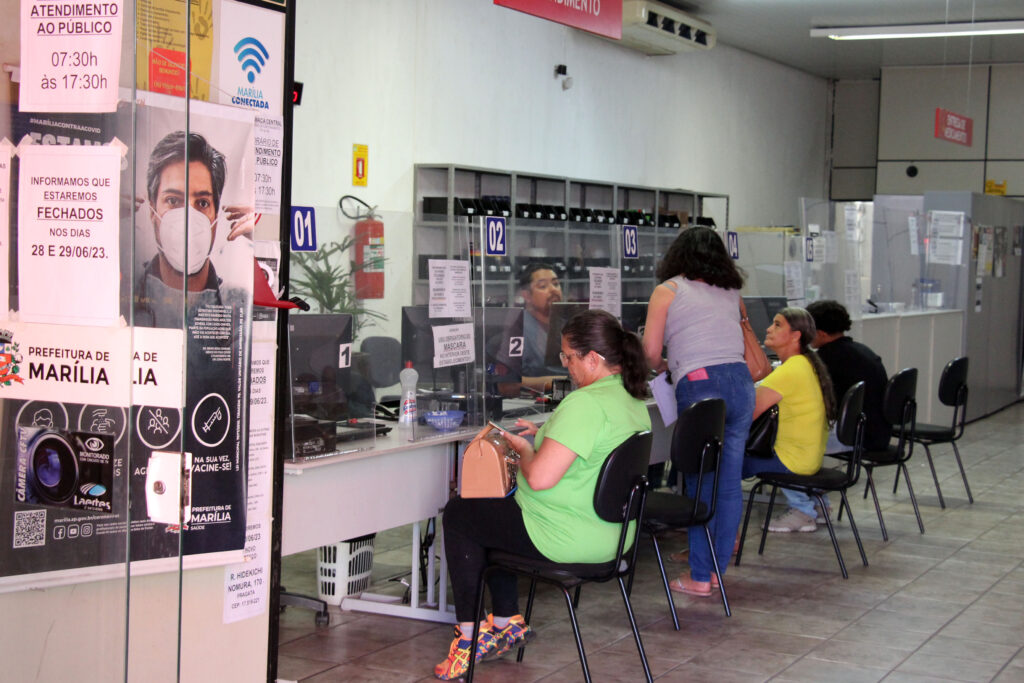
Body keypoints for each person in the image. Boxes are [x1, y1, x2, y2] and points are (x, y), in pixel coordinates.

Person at [435, 309, 651, 680]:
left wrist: (524, 448)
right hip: (613, 537)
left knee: (460, 514)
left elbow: (539, 478)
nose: (564, 364)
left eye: (568, 356)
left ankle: (468, 640)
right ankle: (507, 622)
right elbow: (587, 452)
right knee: (491, 508)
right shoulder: (631, 400)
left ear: (594, 358)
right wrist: (548, 436)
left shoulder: (585, 404)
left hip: (564, 537)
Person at [642, 226, 754, 597]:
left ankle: (700, 578)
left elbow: (650, 354)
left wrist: (663, 365)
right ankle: (717, 571)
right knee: (728, 483)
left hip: (701, 384)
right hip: (740, 383)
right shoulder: (731, 292)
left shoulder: (668, 290)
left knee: (699, 481)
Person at [134, 130, 253, 328]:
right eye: (173, 200)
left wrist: (267, 231)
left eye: (203, 203)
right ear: (152, 211)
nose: (188, 218)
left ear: (216, 215)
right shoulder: (123, 295)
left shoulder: (238, 305)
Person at [742, 307, 837, 533]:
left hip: (791, 462)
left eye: (777, 324)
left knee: (721, 465)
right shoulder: (805, 363)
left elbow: (747, 412)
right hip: (808, 458)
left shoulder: (790, 370)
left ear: (796, 336)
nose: (768, 329)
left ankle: (802, 511)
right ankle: (815, 503)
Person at [796, 300, 890, 522]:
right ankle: (816, 503)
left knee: (790, 442)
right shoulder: (861, 351)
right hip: (875, 433)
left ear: (820, 333)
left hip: (854, 437)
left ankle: (802, 508)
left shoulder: (828, 359)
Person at [518, 262, 566, 386]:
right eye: (543, 286)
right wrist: (559, 383)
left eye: (556, 284)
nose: (553, 290)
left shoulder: (568, 326)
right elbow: (508, 385)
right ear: (526, 295)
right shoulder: (518, 329)